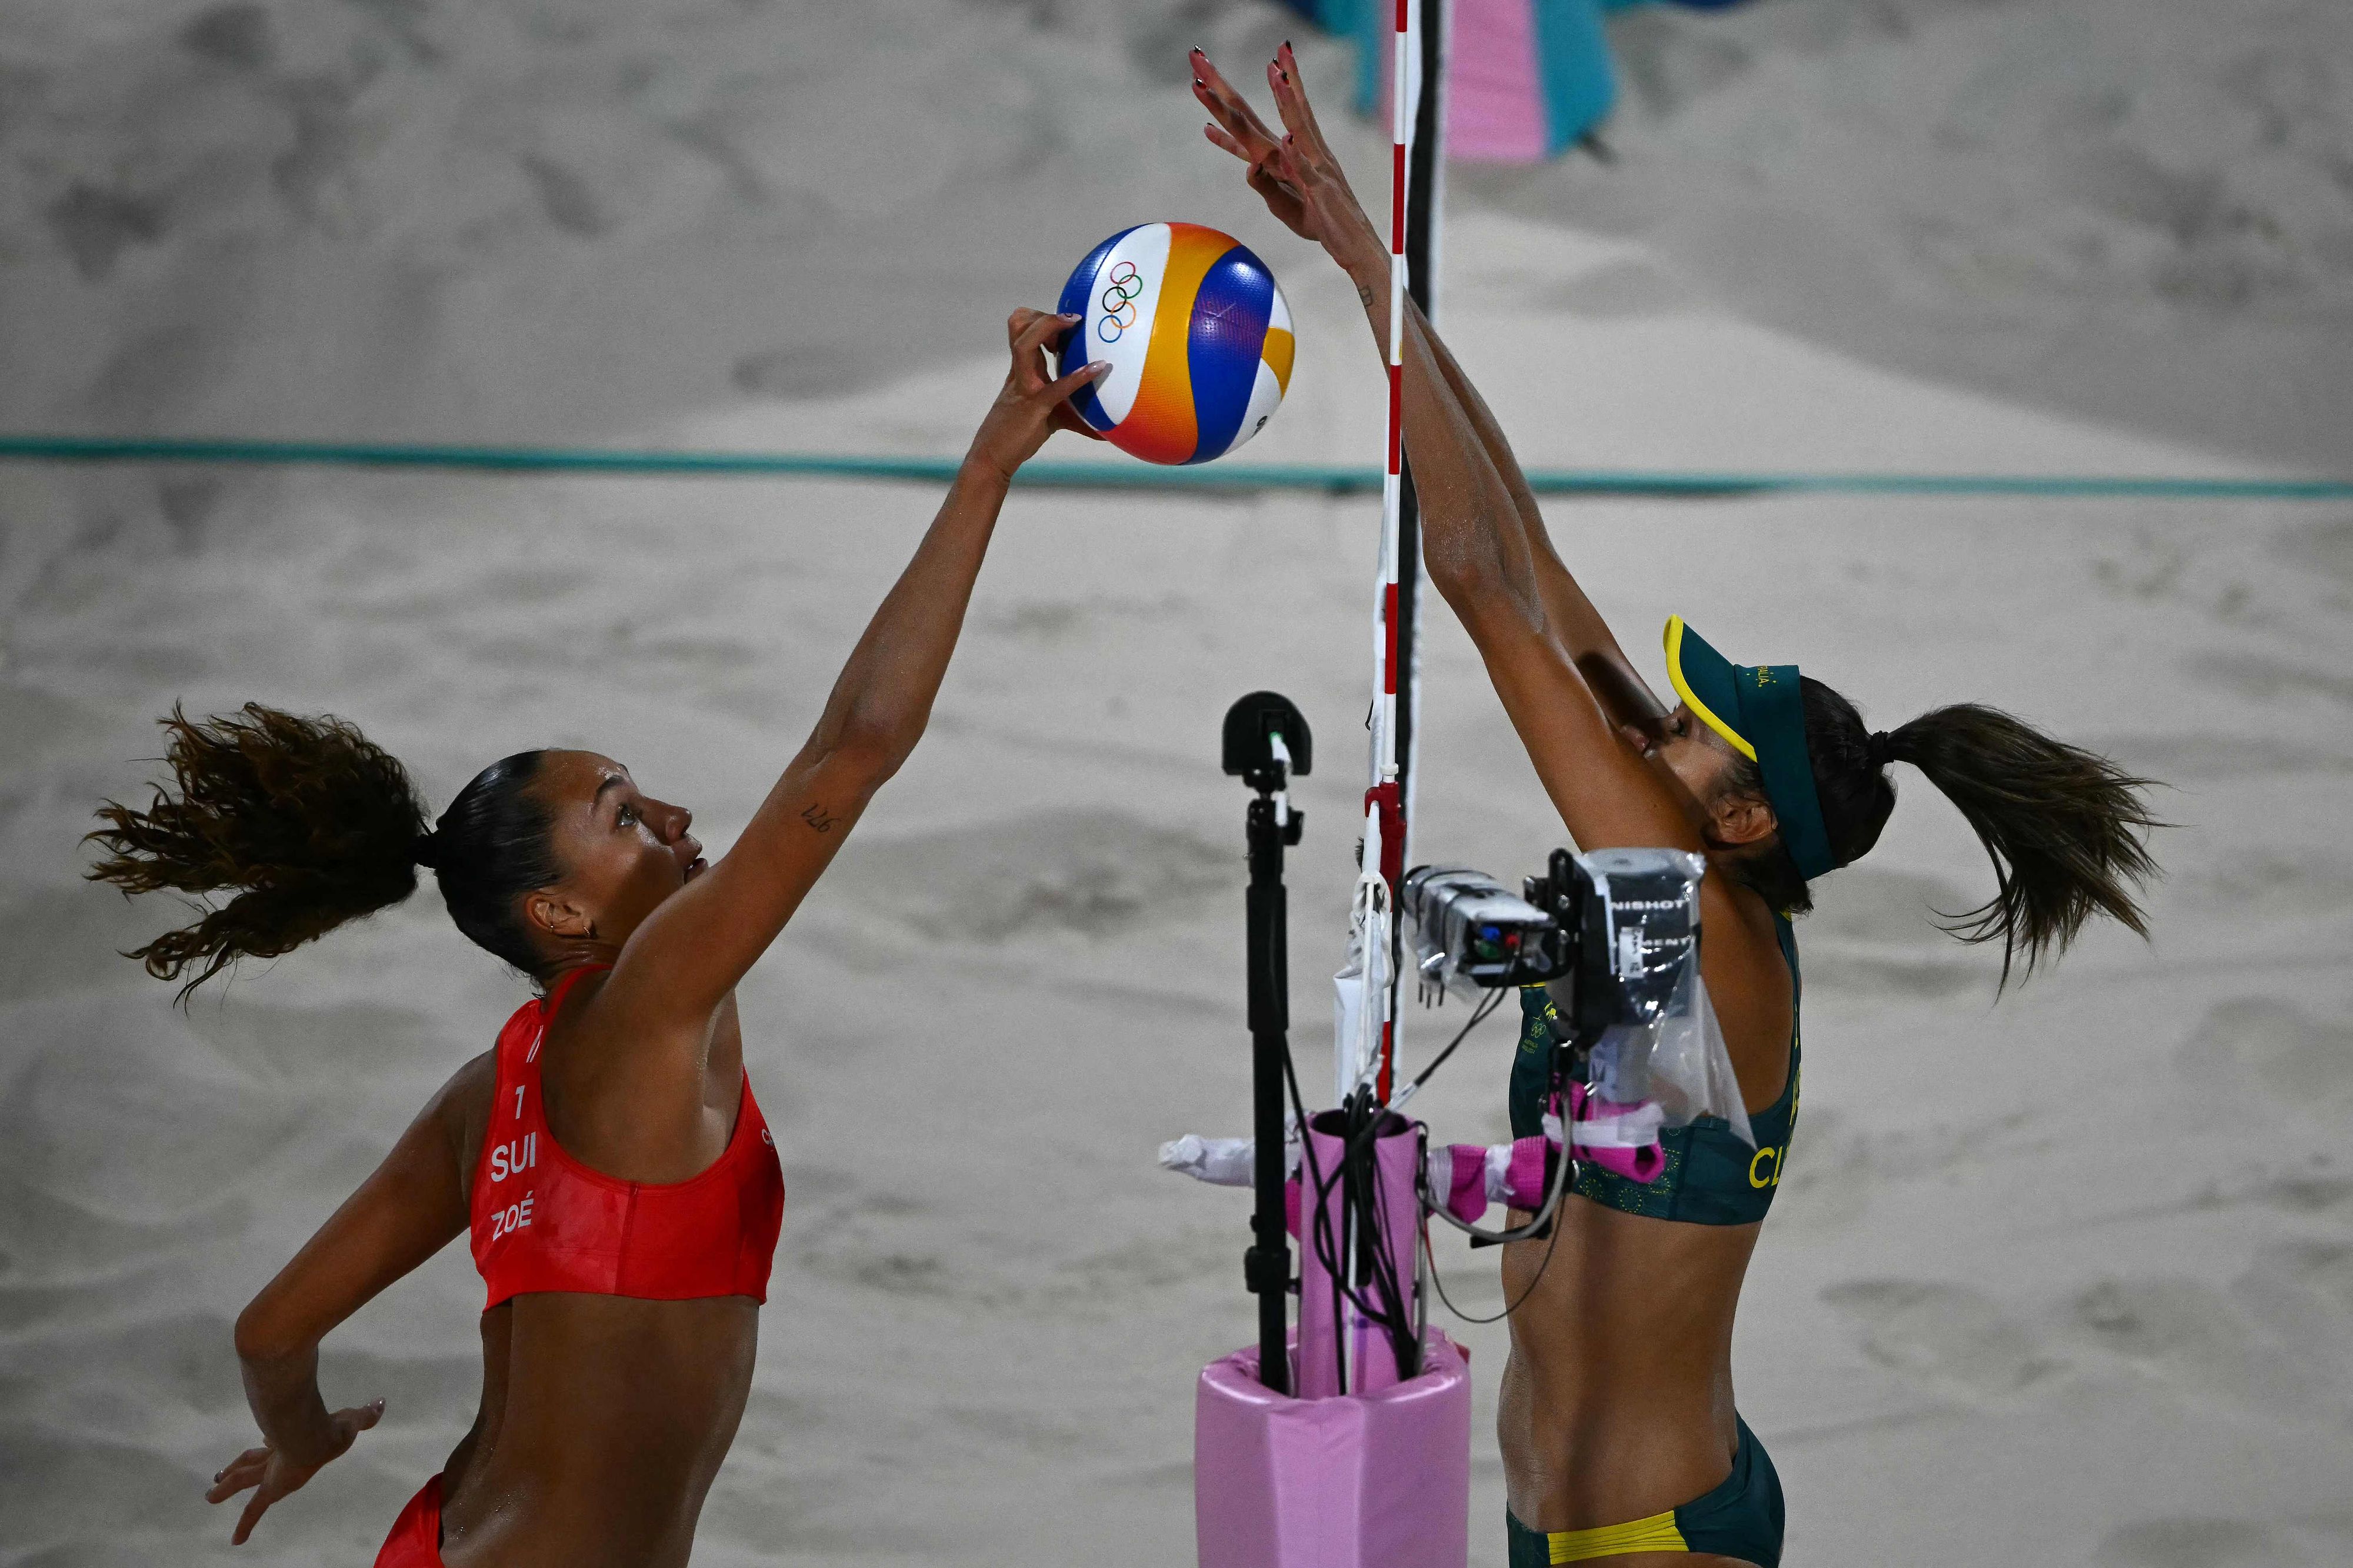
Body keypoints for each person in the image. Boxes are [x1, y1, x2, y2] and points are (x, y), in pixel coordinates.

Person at [1192, 45, 2161, 1568]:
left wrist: (1370, 270)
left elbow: (1475, 581)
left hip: (1664, 1536)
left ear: (1750, 822)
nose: (1670, 728)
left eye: (1706, 738)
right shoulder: (1690, 859)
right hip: (1553, 1520)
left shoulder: (1705, 923)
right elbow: (1517, 533)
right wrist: (1352, 247)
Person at [86, 311, 1109, 1567]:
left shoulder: (489, 1094)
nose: (671, 814)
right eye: (621, 813)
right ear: (559, 913)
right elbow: (853, 750)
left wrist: (299, 1441)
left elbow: (268, 1331)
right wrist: (986, 468)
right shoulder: (654, 1002)